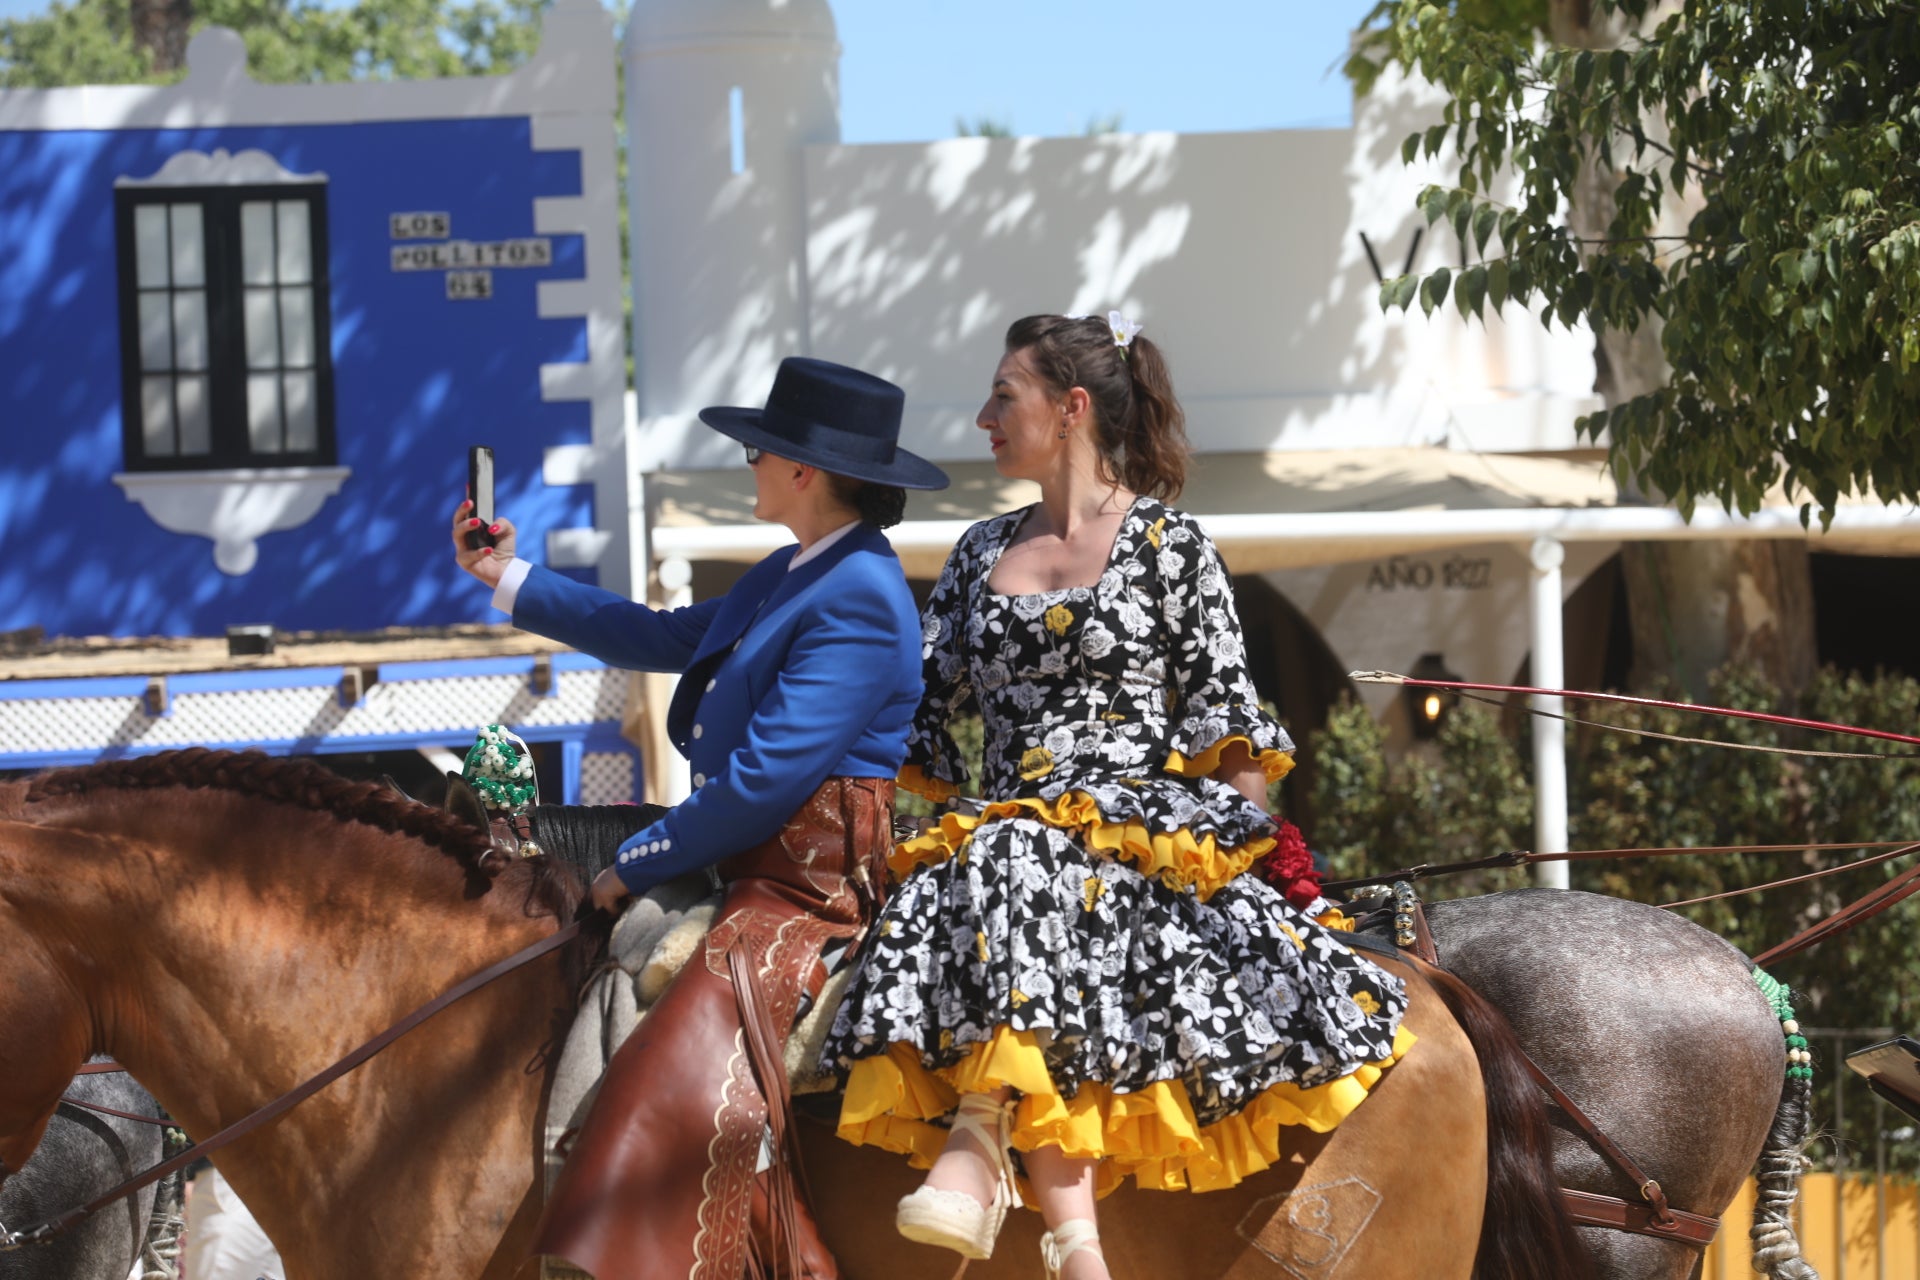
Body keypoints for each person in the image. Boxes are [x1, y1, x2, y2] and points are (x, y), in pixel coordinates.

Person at [821, 314, 1414, 1279]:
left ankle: (984, 1149)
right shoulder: (976, 553)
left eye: (1003, 396)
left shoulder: (1172, 544)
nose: (982, 417)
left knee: (1016, 863)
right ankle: (1072, 1244)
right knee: (996, 862)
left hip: (1140, 831)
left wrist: (1271, 870)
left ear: (1072, 408)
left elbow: (1227, 718)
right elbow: (912, 710)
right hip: (1014, 828)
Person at [452, 357, 947, 1280]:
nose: (748, 462)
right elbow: (665, 635)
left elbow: (765, 780)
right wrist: (506, 573)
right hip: (745, 860)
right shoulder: (796, 569)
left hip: (807, 885)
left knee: (673, 1051)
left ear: (804, 470)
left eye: (760, 449)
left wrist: (635, 863)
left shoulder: (865, 597)